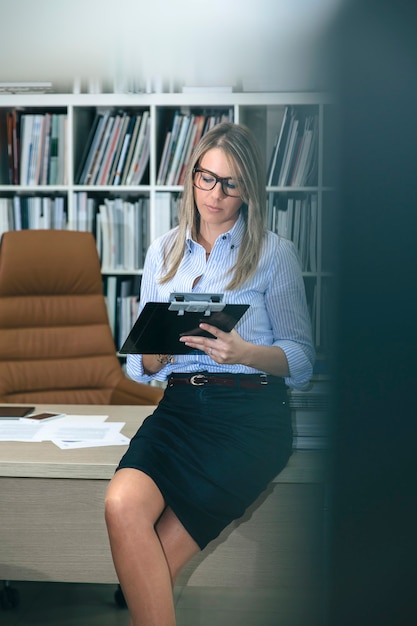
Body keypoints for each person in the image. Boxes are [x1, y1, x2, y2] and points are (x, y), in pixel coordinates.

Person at [104, 121, 315, 626]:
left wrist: (244, 352)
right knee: (120, 503)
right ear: (191, 177)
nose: (214, 194)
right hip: (178, 410)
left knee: (154, 569)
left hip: (248, 418)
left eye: (230, 183)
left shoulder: (274, 254)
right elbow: (139, 366)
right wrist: (157, 352)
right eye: (206, 178)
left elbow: (302, 359)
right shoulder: (164, 251)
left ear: (249, 191)